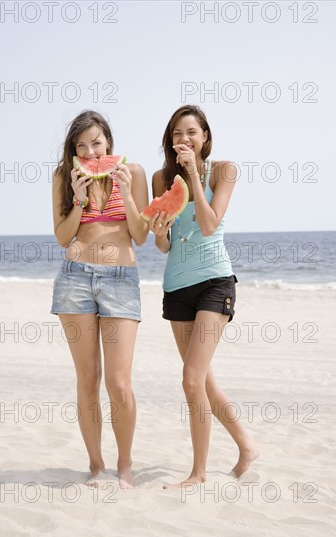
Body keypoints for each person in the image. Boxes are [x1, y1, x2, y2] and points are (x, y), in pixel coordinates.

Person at [149, 105, 259, 488]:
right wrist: (159, 230)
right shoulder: (162, 177)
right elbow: (162, 245)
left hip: (215, 283)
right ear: (170, 140)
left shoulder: (224, 170)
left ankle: (198, 473)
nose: (184, 139)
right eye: (177, 134)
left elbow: (210, 225)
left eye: (191, 132)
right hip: (176, 288)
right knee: (203, 382)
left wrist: (194, 174)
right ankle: (246, 446)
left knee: (191, 379)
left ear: (205, 137)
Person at [51, 110, 149, 489]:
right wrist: (77, 200)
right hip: (75, 278)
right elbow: (62, 236)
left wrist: (125, 192)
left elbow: (140, 235)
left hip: (121, 278)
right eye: (81, 146)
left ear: (108, 141)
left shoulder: (134, 172)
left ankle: (124, 466)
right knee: (88, 378)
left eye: (96, 143)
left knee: (119, 383)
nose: (90, 152)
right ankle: (95, 465)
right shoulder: (65, 175)